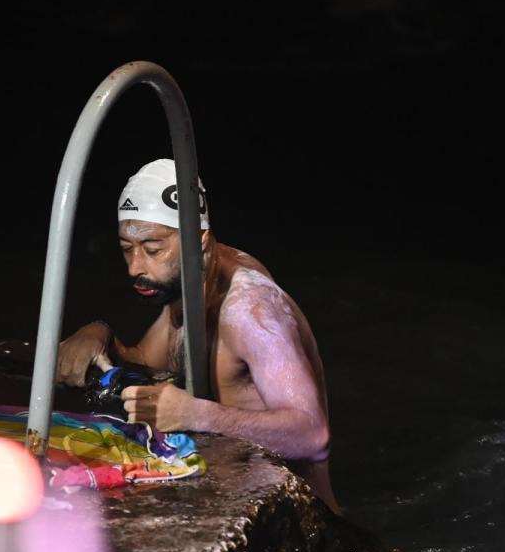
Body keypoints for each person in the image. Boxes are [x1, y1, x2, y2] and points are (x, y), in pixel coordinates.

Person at [57, 159, 338, 512]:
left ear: (198, 241)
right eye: (127, 249)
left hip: (305, 524)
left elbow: (312, 435)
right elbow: (146, 362)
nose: (135, 267)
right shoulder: (189, 287)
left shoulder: (250, 310)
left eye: (153, 249)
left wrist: (195, 415)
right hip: (244, 503)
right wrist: (96, 334)